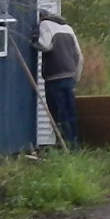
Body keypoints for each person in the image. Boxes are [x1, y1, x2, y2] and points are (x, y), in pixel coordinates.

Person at [37, 8, 82, 147]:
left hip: (54, 75)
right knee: (70, 111)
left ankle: (64, 144)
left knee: (58, 111)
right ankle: (74, 144)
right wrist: (76, 77)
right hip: (70, 75)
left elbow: (45, 46)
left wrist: (34, 41)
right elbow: (79, 55)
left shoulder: (44, 24)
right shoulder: (67, 28)